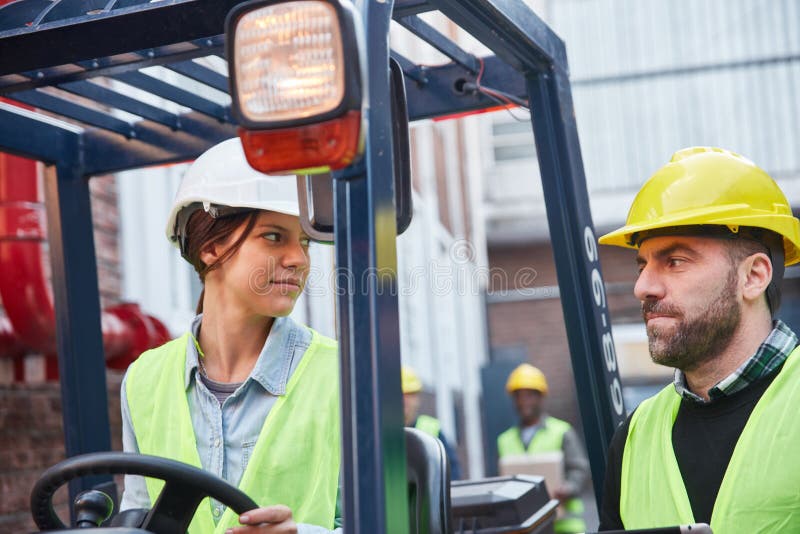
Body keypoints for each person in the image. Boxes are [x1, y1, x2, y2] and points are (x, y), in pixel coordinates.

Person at [119, 138, 342, 534]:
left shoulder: (344, 373)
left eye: (304, 241)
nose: (300, 259)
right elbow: (137, 514)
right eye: (274, 236)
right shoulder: (143, 379)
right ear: (212, 246)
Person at [597, 146, 800, 532]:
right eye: (643, 265)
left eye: (675, 261)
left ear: (754, 276)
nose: (643, 287)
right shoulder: (634, 437)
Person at [497, 364, 589, 534]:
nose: (524, 401)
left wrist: (568, 487)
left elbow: (580, 469)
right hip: (525, 527)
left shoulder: (562, 431)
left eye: (530, 395)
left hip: (563, 526)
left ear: (541, 397)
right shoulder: (504, 440)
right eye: (519, 396)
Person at [401, 365, 462, 480]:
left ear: (418, 398)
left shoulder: (432, 428)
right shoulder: (380, 433)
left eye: (410, 394)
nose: (405, 400)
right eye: (401, 394)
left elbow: (452, 471)